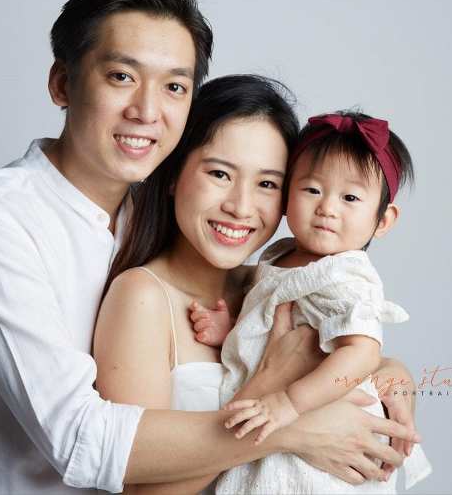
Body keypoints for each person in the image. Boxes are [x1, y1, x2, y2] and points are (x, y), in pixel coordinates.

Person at [0, 0, 418, 495]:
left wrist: (383, 369)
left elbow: (322, 346)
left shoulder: (163, 230)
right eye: (122, 77)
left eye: (174, 86)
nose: (147, 111)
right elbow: (83, 441)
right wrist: (289, 418)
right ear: (63, 83)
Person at [95, 79, 422, 494]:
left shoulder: (272, 286)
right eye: (219, 173)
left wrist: (393, 376)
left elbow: (349, 351)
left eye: (267, 183)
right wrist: (279, 407)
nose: (241, 206)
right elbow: (139, 492)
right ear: (173, 172)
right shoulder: (142, 297)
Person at [203, 112, 432, 494]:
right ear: (287, 193)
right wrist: (233, 332)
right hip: (282, 427)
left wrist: (289, 404)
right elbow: (280, 328)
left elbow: (361, 354)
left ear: (383, 220)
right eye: (312, 190)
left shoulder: (346, 276)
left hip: (320, 428)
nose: (328, 207)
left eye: (350, 198)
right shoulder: (280, 256)